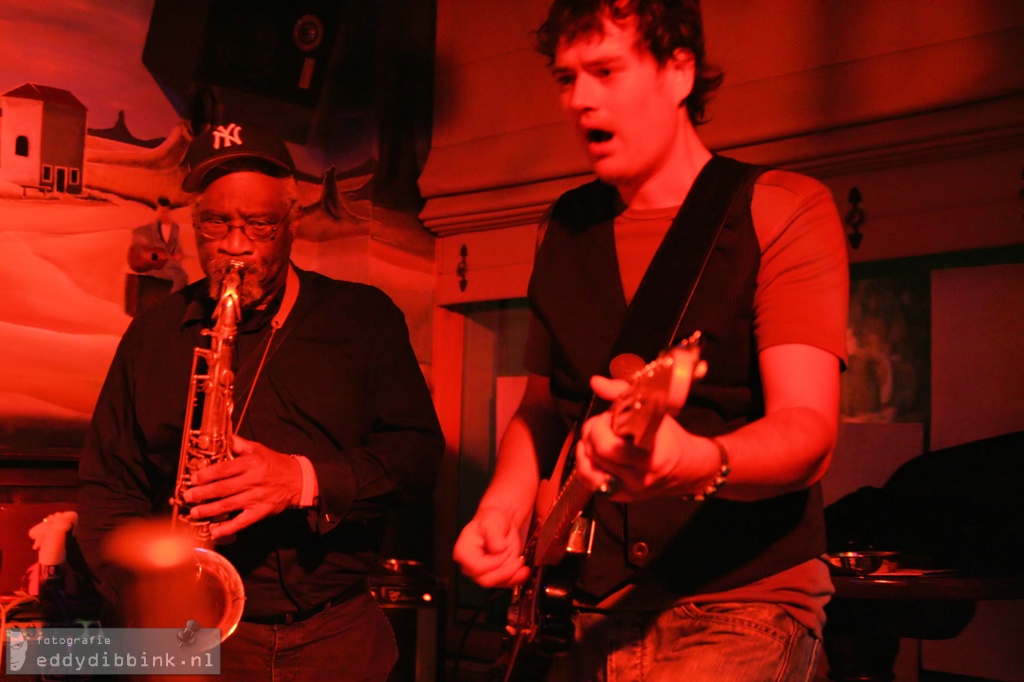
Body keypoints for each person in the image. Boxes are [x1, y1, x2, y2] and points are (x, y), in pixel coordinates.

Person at [453, 1, 849, 680]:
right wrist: (504, 504)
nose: (579, 99)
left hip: (742, 601)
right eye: (566, 77)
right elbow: (544, 409)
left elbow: (809, 429)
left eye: (605, 71)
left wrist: (696, 460)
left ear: (678, 72)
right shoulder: (565, 229)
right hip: (587, 607)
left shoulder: (782, 207)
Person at [78, 122, 445, 681]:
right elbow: (109, 487)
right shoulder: (152, 335)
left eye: (259, 224)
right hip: (189, 636)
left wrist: (303, 479)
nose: (234, 246)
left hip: (335, 637)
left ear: (293, 223)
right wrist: (142, 601)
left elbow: (417, 457)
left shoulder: (364, 319)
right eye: (215, 224)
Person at [128, 195, 189, 294]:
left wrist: (176, 255)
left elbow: (176, 248)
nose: (164, 215)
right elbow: (136, 235)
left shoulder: (175, 228)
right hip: (157, 268)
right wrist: (145, 253)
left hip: (169, 264)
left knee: (181, 276)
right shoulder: (148, 230)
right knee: (180, 276)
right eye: (161, 212)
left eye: (165, 211)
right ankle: (172, 302)